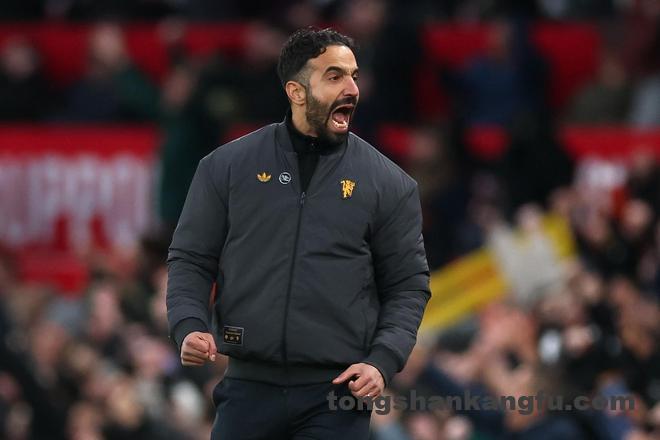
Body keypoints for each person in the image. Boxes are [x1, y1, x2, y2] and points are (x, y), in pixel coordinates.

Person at [166, 27, 431, 439]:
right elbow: (191, 259)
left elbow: (408, 286)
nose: (352, 89)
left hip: (337, 397)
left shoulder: (390, 184)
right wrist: (189, 323)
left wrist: (382, 361)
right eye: (334, 76)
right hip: (247, 389)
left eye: (354, 76)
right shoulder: (226, 167)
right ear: (296, 91)